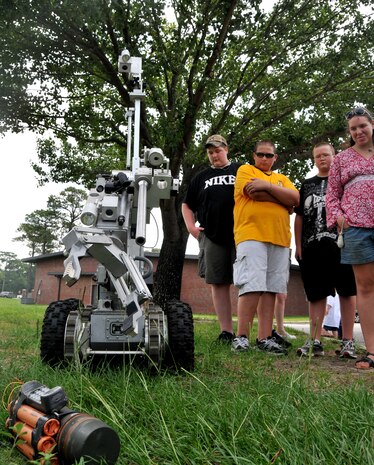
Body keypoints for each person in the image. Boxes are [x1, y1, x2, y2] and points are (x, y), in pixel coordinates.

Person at [231, 140, 299, 354]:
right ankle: (241, 337)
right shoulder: (245, 170)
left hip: (280, 238)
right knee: (252, 284)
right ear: (254, 155)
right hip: (251, 234)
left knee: (271, 288)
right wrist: (282, 199)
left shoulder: (282, 178)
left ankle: (264, 337)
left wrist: (268, 186)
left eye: (269, 155)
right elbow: (254, 193)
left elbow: (295, 199)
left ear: (275, 158)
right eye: (261, 154)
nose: (264, 158)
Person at [294, 142, 357, 358]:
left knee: (347, 291)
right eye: (317, 156)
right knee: (316, 294)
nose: (322, 159)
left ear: (334, 156)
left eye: (326, 155)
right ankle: (315, 340)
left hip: (342, 245)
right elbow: (300, 216)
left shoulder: (344, 182)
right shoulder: (307, 184)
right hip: (312, 247)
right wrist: (298, 245)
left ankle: (347, 341)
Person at [326, 106, 374, 370]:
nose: (358, 131)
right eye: (353, 129)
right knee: (365, 290)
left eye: (362, 126)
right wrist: (339, 217)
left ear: (372, 124)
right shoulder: (342, 159)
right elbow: (332, 195)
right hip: (356, 229)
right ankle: (372, 352)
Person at [182, 134, 241, 344]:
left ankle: (245, 332)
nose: (214, 155)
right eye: (210, 152)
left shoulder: (241, 170)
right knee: (218, 283)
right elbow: (187, 204)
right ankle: (226, 331)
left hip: (242, 235)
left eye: (217, 150)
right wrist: (191, 228)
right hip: (212, 236)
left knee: (247, 282)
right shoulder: (201, 177)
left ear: (227, 150)